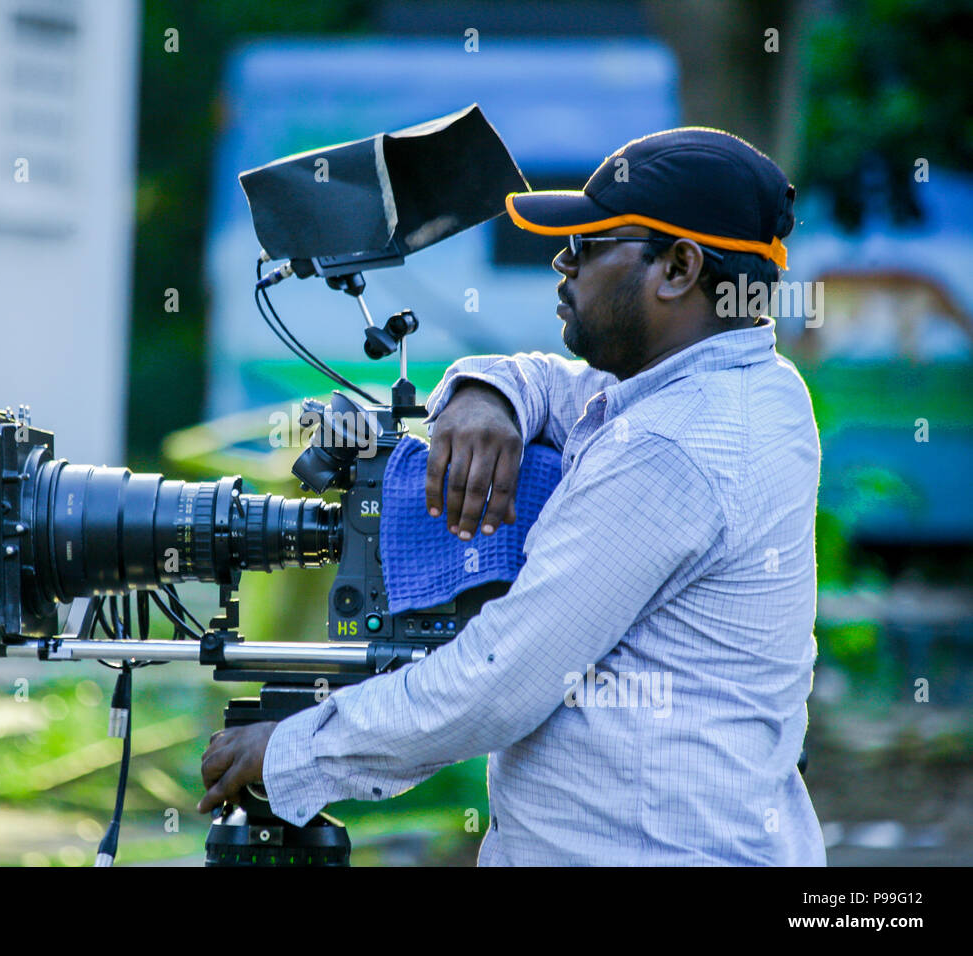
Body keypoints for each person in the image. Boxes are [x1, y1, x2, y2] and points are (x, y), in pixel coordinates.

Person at [199, 127, 826, 865]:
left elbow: (500, 681)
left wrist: (293, 751)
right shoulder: (754, 387)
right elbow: (563, 386)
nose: (562, 263)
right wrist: (483, 393)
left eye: (588, 245)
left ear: (679, 268)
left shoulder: (668, 451)